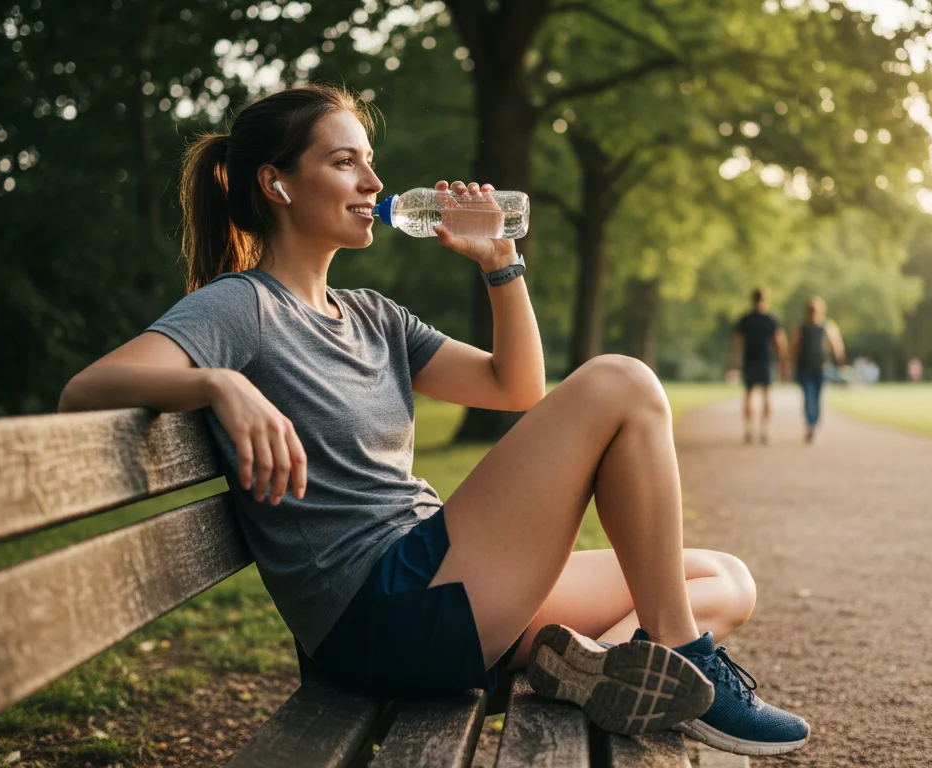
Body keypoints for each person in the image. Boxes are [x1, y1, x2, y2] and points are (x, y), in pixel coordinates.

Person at [57, 85, 809, 757]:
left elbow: (516, 386)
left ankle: (589, 666)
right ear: (277, 183)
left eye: (370, 161)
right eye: (346, 162)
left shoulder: (374, 316)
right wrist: (220, 383)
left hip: (440, 583)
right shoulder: (242, 307)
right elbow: (84, 391)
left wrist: (498, 264)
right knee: (622, 381)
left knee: (725, 578)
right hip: (383, 608)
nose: (374, 183)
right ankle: (681, 653)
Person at [726, 288, 789, 445]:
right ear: (765, 299)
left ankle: (750, 429)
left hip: (751, 361)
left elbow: (737, 342)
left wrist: (734, 361)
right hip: (765, 361)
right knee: (765, 395)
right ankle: (764, 429)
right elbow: (780, 342)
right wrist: (783, 361)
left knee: (749, 395)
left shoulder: (746, 319)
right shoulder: (770, 319)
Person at [789, 297, 846, 443]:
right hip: (804, 368)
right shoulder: (801, 327)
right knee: (808, 397)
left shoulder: (827, 326)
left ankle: (814, 422)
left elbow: (836, 344)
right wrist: (789, 364)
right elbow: (795, 347)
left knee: (817, 398)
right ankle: (810, 425)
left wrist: (840, 360)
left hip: (820, 368)